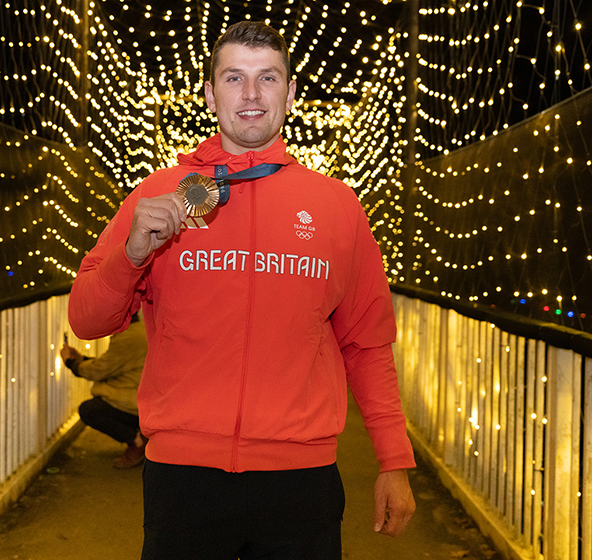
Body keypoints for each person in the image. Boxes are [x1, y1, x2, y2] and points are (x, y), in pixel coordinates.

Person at [68, 20, 416, 559]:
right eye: (234, 78)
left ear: (291, 92)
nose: (251, 95)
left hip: (300, 480)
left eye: (267, 78)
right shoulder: (161, 194)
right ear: (209, 94)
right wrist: (132, 253)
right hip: (184, 478)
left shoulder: (337, 206)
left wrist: (393, 460)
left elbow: (366, 343)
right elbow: (87, 320)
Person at [61, 312, 148, 469]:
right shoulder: (137, 331)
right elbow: (111, 365)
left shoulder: (128, 337)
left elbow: (99, 371)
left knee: (89, 410)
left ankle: (137, 441)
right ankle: (140, 436)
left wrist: (71, 363)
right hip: (142, 397)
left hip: (134, 402)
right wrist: (81, 359)